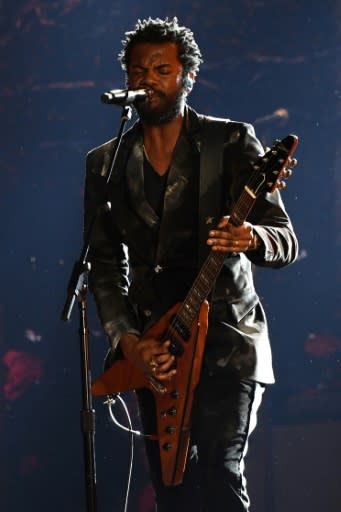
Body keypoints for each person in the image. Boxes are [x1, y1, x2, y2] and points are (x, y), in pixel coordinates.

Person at [84, 16, 298, 512]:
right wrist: (131, 344)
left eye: (162, 69)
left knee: (220, 474)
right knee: (173, 494)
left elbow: (284, 240)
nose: (148, 80)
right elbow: (102, 265)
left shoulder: (230, 142)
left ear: (187, 77)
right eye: (138, 70)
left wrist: (250, 237)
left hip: (227, 342)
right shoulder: (105, 163)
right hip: (158, 349)